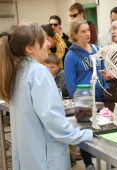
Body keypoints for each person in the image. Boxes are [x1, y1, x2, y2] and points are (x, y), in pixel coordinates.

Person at [0, 24, 93, 170]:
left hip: (30, 154)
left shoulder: (18, 71)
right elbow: (54, 121)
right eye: (43, 41)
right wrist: (86, 134)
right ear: (29, 49)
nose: (48, 44)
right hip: (46, 157)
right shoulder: (38, 72)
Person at [64, 18, 108, 170]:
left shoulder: (97, 49)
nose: (87, 34)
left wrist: (106, 82)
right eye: (83, 31)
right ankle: (88, 163)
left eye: (88, 30)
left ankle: (105, 160)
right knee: (84, 130)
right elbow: (70, 83)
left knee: (101, 129)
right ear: (75, 35)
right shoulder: (71, 56)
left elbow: (103, 72)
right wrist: (79, 99)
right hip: (83, 100)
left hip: (100, 98)